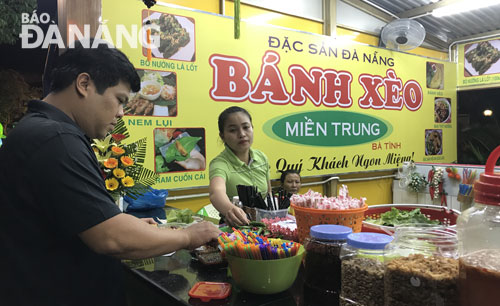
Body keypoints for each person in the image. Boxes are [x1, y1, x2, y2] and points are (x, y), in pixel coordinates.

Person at [0, 39, 220, 306]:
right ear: (84, 84)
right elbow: (111, 238)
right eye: (119, 100)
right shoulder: (55, 138)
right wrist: (188, 236)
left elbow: (82, 221)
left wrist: (128, 225)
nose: (120, 113)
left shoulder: (42, 130)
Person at [209, 106, 271, 226]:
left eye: (246, 127)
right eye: (233, 130)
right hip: (235, 230)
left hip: (265, 227)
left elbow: (268, 193)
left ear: (252, 128)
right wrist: (230, 209)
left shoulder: (262, 157)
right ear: (222, 136)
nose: (242, 134)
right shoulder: (220, 163)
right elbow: (216, 192)